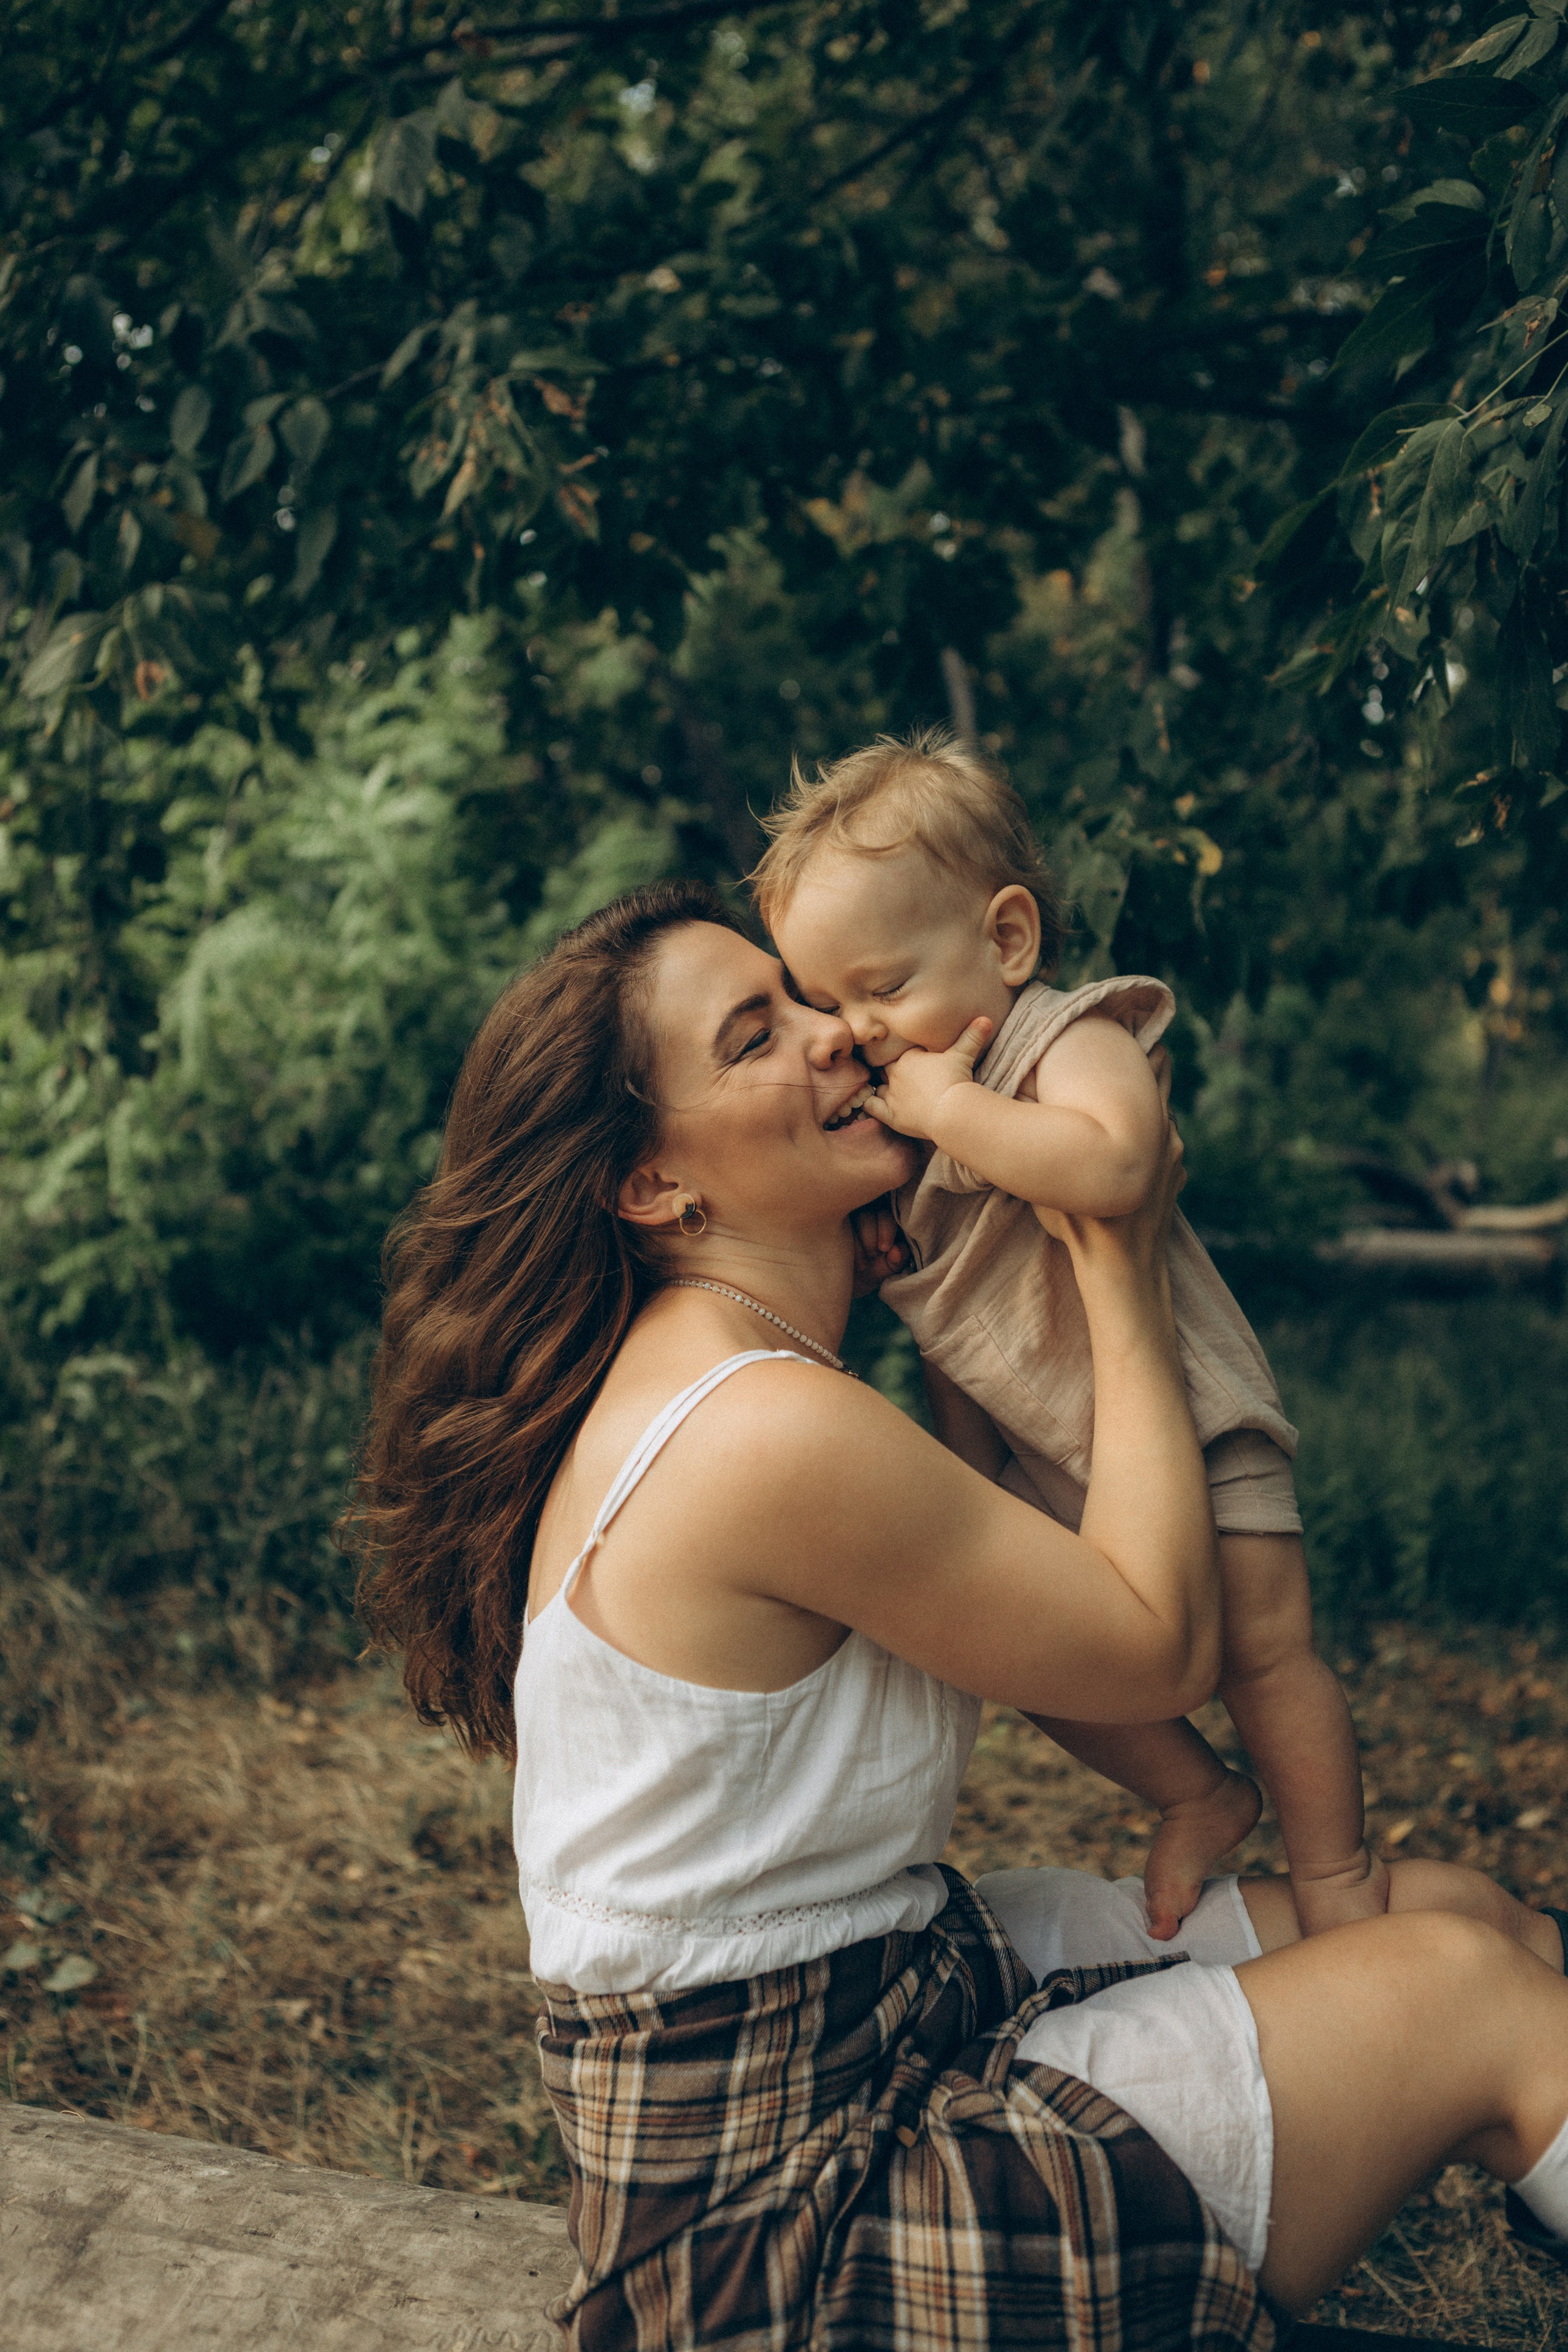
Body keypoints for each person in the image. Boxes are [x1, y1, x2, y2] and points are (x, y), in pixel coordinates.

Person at [346, 880, 1568, 2352]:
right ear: (656, 1188)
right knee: (1467, 1995)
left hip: (890, 2006)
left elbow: (1005, 1617)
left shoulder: (756, 1370)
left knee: (1457, 1911)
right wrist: (1112, 1259)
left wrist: (1189, 1784)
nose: (834, 1037)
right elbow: (1153, 1640)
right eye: (756, 1037)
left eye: (804, 998)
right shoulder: (752, 1428)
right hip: (786, 2221)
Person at [754, 729, 1374, 1944]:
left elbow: (1114, 1165)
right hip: (1025, 1436)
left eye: (881, 987)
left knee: (1263, 1653)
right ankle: (1194, 1791)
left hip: (1186, 1424)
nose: (861, 1033)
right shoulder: (916, 1116)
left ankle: (1338, 1880)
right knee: (1018, 1647)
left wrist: (958, 1109)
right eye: (829, 1002)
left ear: (1005, 941)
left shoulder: (1056, 1039)